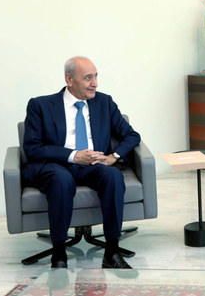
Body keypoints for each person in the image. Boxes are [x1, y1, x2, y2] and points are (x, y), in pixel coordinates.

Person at [22, 56, 140, 269]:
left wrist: (113, 158)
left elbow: (132, 135)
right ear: (69, 79)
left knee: (113, 176)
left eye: (95, 77)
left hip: (92, 165)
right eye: (88, 78)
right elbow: (32, 148)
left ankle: (111, 252)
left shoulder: (104, 102)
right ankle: (59, 254)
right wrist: (73, 155)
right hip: (55, 165)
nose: (95, 83)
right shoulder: (40, 105)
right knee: (61, 180)